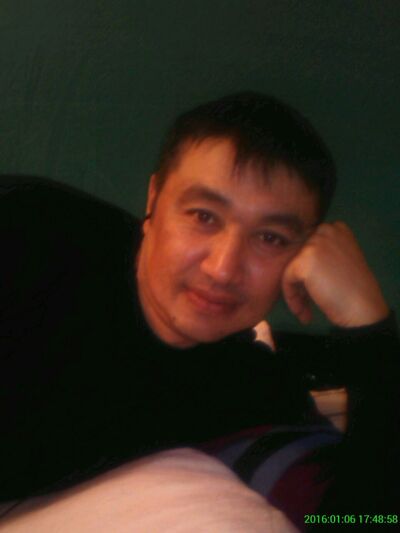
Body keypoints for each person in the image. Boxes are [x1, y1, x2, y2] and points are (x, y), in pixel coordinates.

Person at [0, 93, 398, 526]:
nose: (223, 269)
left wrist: (368, 329)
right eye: (204, 216)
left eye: (270, 238)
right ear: (153, 200)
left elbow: (361, 522)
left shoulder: (240, 387)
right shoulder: (27, 232)